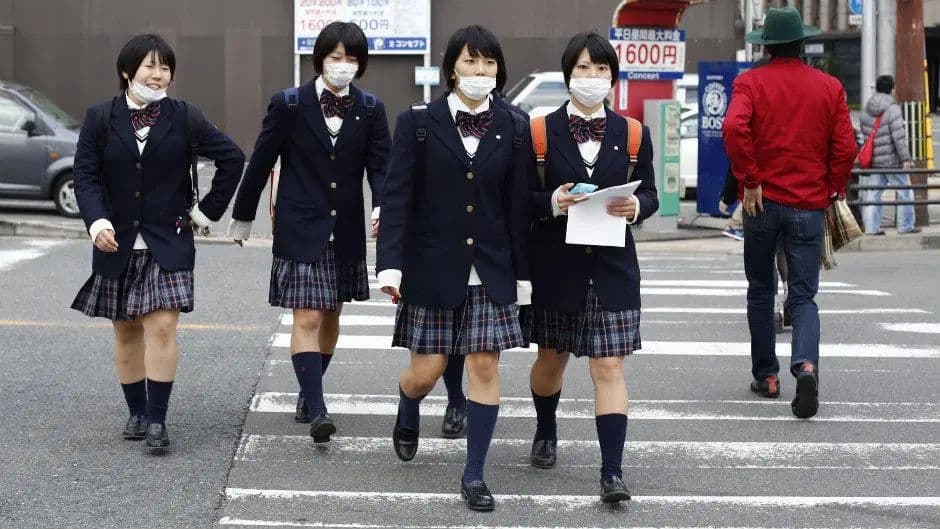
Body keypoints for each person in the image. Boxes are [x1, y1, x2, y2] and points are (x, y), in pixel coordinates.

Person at [376, 25, 531, 512]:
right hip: (432, 264)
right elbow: (397, 198)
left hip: (490, 267)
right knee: (426, 371)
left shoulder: (514, 124)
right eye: (470, 63)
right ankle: (408, 404)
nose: (480, 72)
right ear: (451, 69)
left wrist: (523, 277)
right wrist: (391, 268)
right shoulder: (418, 122)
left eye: (488, 64)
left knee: (485, 364)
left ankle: (474, 474)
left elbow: (518, 206)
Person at [71, 34, 245, 453]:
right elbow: (86, 174)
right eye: (149, 66)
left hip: (169, 240)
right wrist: (96, 222)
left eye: (165, 67)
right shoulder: (100, 118)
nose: (158, 74)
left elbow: (232, 157)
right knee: (127, 330)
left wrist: (205, 213)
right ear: (127, 72)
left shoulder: (185, 116)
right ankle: (136, 410)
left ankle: (157, 420)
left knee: (163, 326)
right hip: (117, 242)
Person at [228, 22, 390, 444]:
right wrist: (243, 215)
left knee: (333, 314)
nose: (343, 65)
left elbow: (381, 169)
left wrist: (384, 209)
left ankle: (309, 388)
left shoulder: (371, 109)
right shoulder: (290, 104)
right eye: (336, 57)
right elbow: (261, 159)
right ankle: (318, 409)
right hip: (300, 225)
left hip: (347, 226)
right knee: (308, 314)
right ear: (320, 59)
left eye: (352, 58)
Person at [523, 32, 658, 504]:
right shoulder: (539, 131)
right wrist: (555, 201)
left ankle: (612, 472)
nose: (593, 78)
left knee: (609, 364)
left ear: (613, 78)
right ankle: (545, 427)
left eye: (601, 70)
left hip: (612, 266)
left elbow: (652, 194)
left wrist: (636, 206)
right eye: (583, 69)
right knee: (551, 359)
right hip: (557, 266)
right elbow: (523, 199)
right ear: (568, 76)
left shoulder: (634, 132)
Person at [723, 7, 857, 417]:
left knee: (761, 289)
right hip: (809, 205)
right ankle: (807, 365)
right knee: (803, 296)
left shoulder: (750, 83)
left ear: (767, 46)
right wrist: (831, 187)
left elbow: (733, 128)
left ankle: (767, 375)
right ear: (802, 45)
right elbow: (846, 147)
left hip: (760, 203)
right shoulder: (829, 87)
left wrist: (750, 178)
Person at [859, 75, 920, 235]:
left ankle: (871, 228)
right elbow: (898, 136)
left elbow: (865, 132)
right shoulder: (892, 108)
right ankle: (906, 226)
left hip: (874, 160)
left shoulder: (867, 108)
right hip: (892, 161)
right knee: (905, 192)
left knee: (874, 194)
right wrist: (906, 158)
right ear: (891, 89)